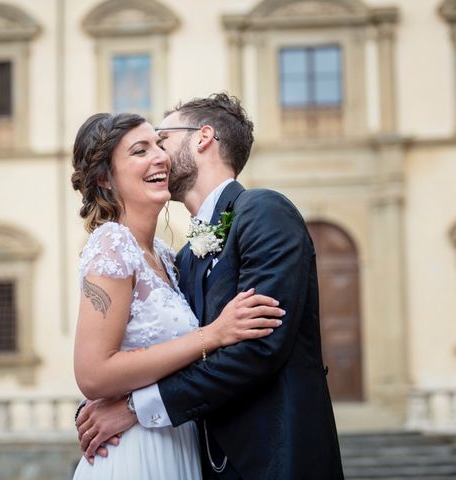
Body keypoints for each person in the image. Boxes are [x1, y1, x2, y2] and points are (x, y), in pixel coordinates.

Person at [76, 93, 344, 480]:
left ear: (202, 138)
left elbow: (258, 346)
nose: (161, 157)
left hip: (274, 461)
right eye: (144, 149)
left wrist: (132, 408)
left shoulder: (264, 211)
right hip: (191, 459)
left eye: (162, 140)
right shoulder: (182, 258)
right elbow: (137, 352)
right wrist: (103, 405)